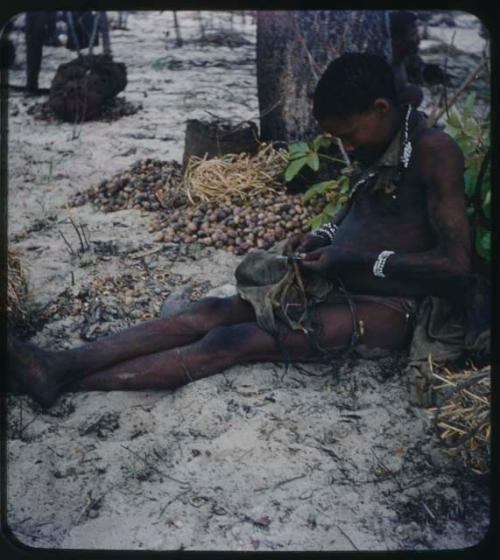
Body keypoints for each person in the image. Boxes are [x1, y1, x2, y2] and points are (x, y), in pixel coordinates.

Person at [8, 53, 471, 409]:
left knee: (233, 341)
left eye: (348, 134)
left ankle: (68, 382)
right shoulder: (382, 141)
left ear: (380, 107)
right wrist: (325, 238)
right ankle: (59, 363)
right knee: (211, 312)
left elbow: (454, 266)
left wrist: (354, 260)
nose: (346, 146)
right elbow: (363, 213)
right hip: (340, 278)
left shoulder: (433, 152)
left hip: (394, 306)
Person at [390, 11, 447, 108]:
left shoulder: (406, 58)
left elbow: (419, 68)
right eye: (413, 34)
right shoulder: (385, 67)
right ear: (396, 39)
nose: (418, 40)